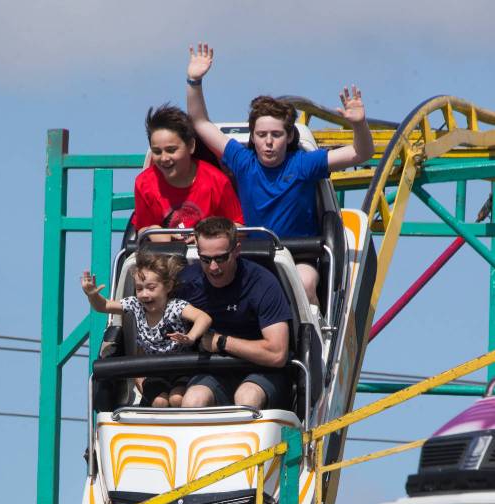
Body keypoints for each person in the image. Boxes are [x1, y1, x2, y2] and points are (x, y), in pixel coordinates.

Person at [186, 43, 374, 304]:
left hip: (299, 253)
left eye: (276, 135)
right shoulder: (243, 161)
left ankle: (314, 336)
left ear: (289, 137)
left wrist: (359, 124)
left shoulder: (303, 164)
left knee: (305, 283)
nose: (269, 142)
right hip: (253, 253)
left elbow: (360, 154)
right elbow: (200, 123)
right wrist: (194, 81)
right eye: (262, 135)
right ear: (253, 137)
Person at [177, 217, 292, 410]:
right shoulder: (187, 283)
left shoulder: (262, 283)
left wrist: (222, 342)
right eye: (205, 259)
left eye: (221, 258)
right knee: (192, 400)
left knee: (247, 398)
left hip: (261, 371)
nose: (213, 267)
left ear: (237, 250)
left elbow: (277, 353)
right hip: (212, 371)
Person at [81, 251, 212, 407]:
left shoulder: (175, 306)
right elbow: (104, 306)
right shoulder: (135, 305)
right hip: (154, 370)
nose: (144, 294)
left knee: (177, 399)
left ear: (168, 286)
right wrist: (92, 295)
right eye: (139, 288)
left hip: (181, 367)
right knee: (159, 401)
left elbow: (203, 318)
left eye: (151, 288)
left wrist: (191, 336)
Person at [133, 104, 243, 238]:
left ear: (191, 146)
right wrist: (155, 232)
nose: (164, 158)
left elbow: (239, 228)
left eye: (171, 150)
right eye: (157, 152)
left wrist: (209, 237)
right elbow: (142, 227)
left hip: (211, 256)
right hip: (164, 256)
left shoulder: (217, 181)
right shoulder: (144, 183)